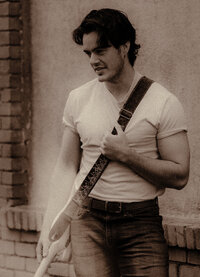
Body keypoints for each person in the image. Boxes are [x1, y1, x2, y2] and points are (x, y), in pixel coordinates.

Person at [36, 8, 190, 277]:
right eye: (88, 53)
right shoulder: (78, 98)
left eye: (101, 50)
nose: (93, 60)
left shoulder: (163, 102)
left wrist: (128, 156)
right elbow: (65, 166)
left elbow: (180, 175)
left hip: (140, 225)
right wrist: (51, 222)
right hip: (88, 223)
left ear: (124, 47)